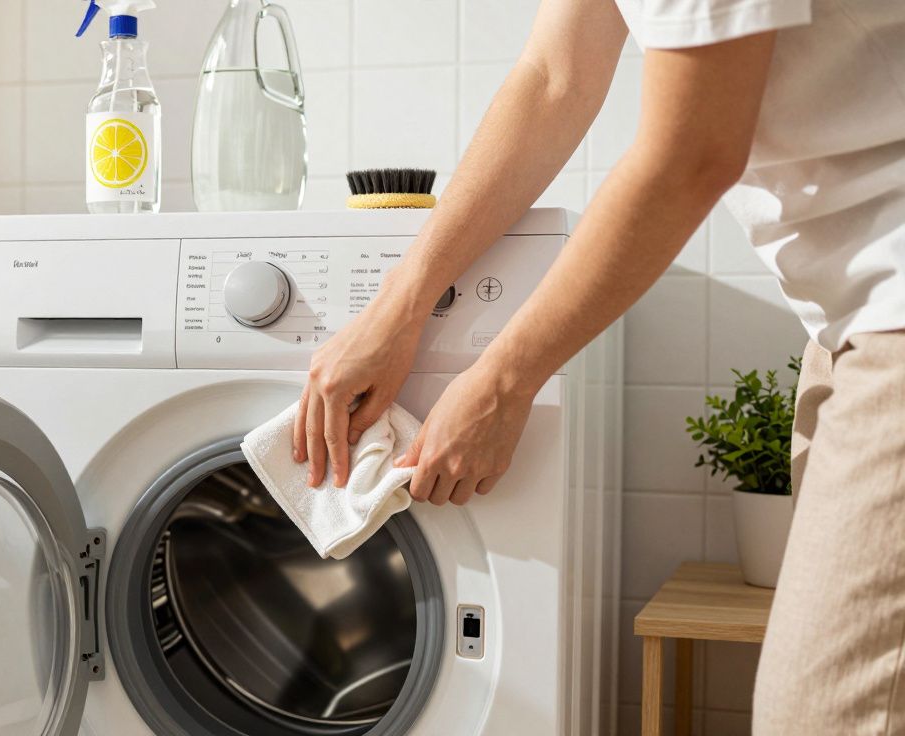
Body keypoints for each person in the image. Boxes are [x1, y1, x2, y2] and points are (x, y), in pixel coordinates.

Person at [294, 0, 905, 732]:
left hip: (891, 304)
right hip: (850, 316)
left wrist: (502, 381)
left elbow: (692, 154)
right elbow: (554, 76)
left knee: (823, 713)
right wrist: (396, 307)